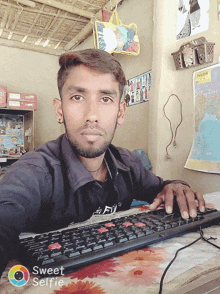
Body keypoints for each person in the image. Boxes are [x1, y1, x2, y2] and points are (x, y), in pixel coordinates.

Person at [0, 48, 205, 277]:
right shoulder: (35, 171)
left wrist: (176, 186)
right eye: (77, 97)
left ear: (121, 112)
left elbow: (160, 188)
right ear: (60, 110)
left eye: (106, 98)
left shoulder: (128, 163)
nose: (92, 115)